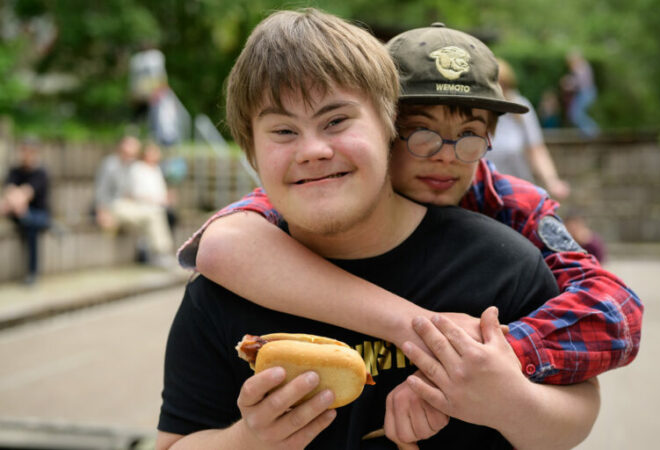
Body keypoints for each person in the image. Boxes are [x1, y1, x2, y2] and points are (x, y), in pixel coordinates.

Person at [158, 11, 601, 449]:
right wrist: (249, 440)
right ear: (251, 150)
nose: (313, 150)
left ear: (388, 126)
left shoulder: (503, 264)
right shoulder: (217, 296)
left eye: (336, 121)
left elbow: (577, 413)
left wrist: (505, 400)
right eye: (283, 130)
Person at [488, 58, 570, 200]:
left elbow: (536, 149)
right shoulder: (477, 112)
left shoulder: (520, 108)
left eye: (504, 85)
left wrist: (552, 181)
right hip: (485, 194)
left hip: (517, 193)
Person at [93, 135, 173, 266]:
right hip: (114, 205)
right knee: (152, 215)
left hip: (128, 205)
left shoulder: (133, 166)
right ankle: (160, 253)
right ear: (120, 148)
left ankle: (151, 251)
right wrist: (102, 212)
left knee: (153, 213)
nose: (131, 155)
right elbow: (101, 191)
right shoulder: (110, 164)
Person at [0, 139, 50, 284]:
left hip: (39, 214)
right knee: (26, 221)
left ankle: (32, 273)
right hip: (18, 212)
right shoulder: (14, 171)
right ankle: (33, 273)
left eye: (29, 152)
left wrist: (15, 204)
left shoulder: (41, 173)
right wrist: (17, 205)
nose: (25, 155)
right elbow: (10, 191)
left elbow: (27, 193)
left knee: (31, 227)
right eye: (23, 151)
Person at [129, 140, 178, 232]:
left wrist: (167, 198)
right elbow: (137, 193)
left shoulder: (156, 169)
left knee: (172, 216)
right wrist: (157, 200)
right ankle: (161, 246)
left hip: (159, 206)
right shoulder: (138, 168)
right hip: (144, 206)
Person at [561, 50, 599, 137]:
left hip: (586, 92)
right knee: (575, 114)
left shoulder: (581, 66)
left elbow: (580, 82)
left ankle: (593, 131)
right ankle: (588, 132)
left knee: (576, 113)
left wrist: (568, 83)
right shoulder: (583, 66)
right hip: (585, 92)